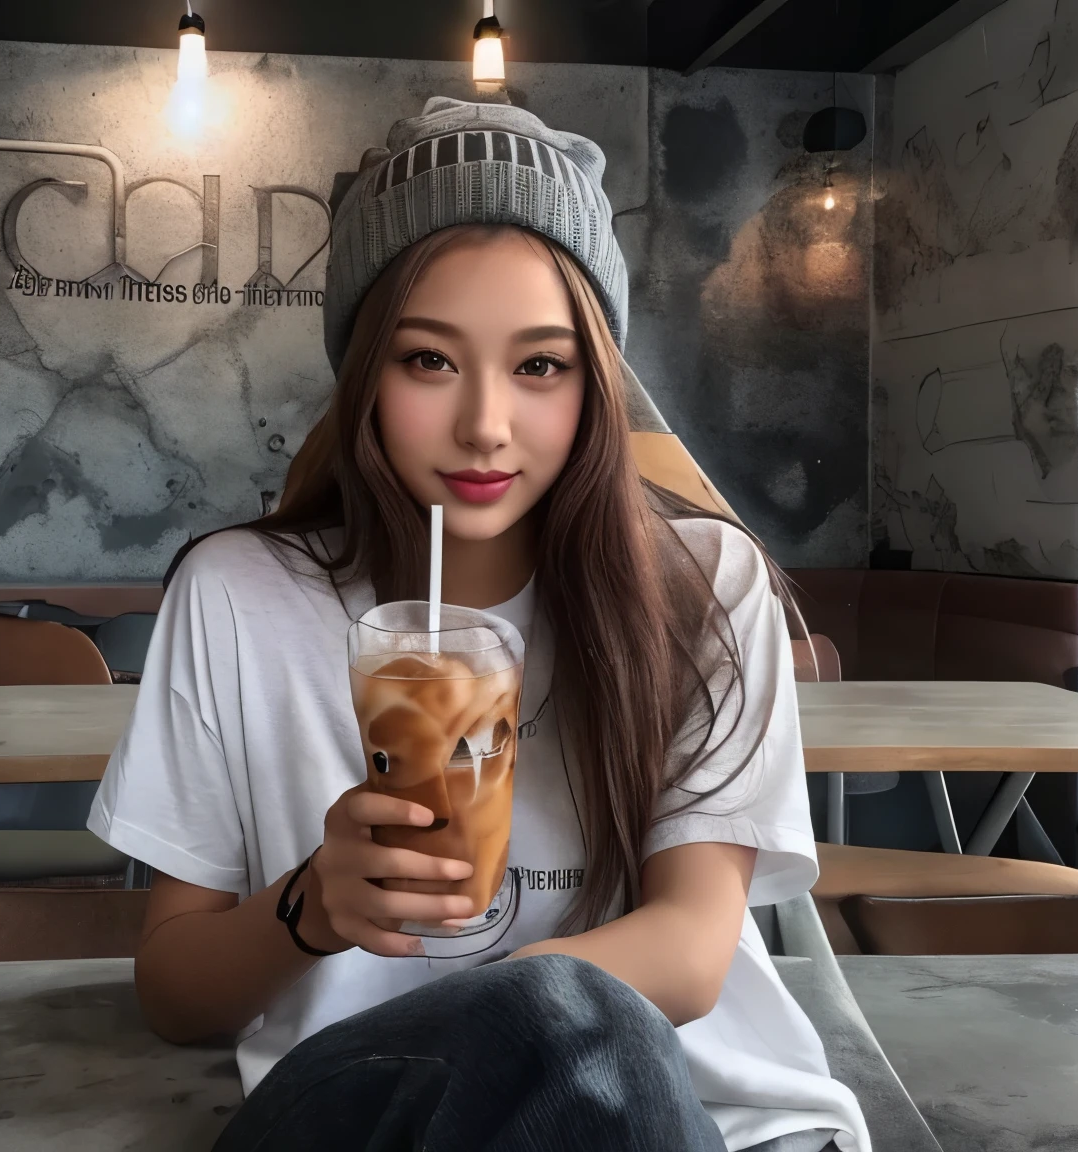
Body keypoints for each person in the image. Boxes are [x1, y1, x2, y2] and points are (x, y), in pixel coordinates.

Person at [89, 97, 869, 1152]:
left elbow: (689, 953)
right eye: (429, 360)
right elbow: (176, 991)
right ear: (364, 372)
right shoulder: (238, 594)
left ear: (595, 383)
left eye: (540, 366)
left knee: (583, 1032)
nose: (487, 424)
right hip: (383, 1114)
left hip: (720, 1120)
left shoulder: (702, 586)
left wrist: (509, 1036)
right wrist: (312, 907)